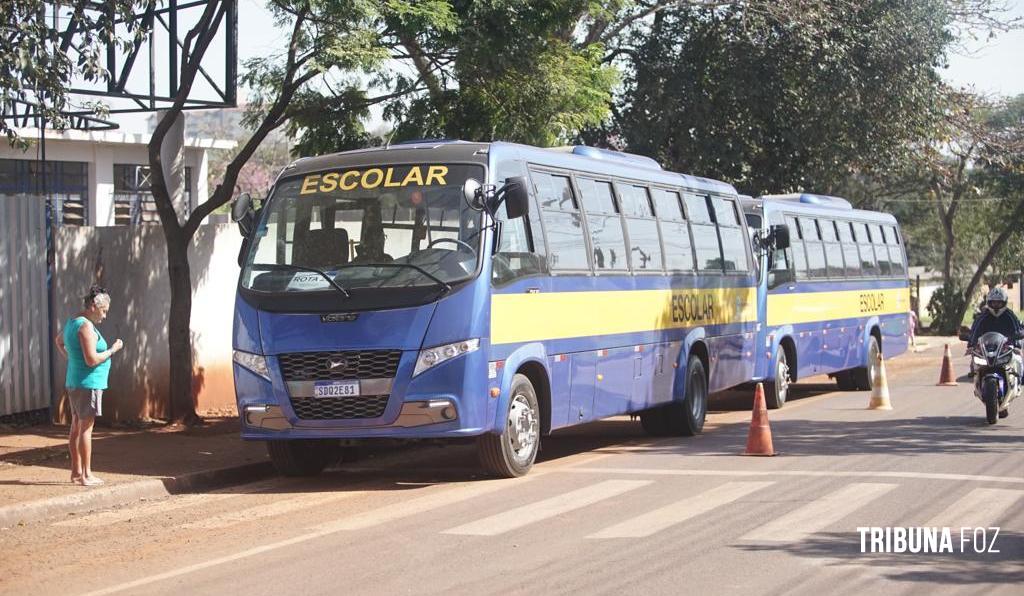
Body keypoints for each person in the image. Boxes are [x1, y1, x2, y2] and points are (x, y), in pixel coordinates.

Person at [54, 286, 124, 486]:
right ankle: (86, 474)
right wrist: (112, 350)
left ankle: (76, 472)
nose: (104, 316)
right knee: (86, 429)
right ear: (94, 306)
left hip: (75, 381)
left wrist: (71, 359)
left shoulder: (72, 323)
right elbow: (92, 359)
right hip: (88, 384)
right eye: (103, 311)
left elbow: (58, 341)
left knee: (76, 427)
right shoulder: (85, 326)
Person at [967, 286, 1023, 383]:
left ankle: (1019, 378)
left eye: (999, 302)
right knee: (974, 358)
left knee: (1018, 357)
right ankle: (977, 376)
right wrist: (971, 345)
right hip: (987, 347)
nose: (996, 305)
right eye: (994, 302)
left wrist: (1017, 344)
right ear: (989, 302)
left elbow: (1017, 331)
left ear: (1004, 302)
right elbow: (975, 331)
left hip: (1005, 347)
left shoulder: (1009, 315)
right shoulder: (983, 317)